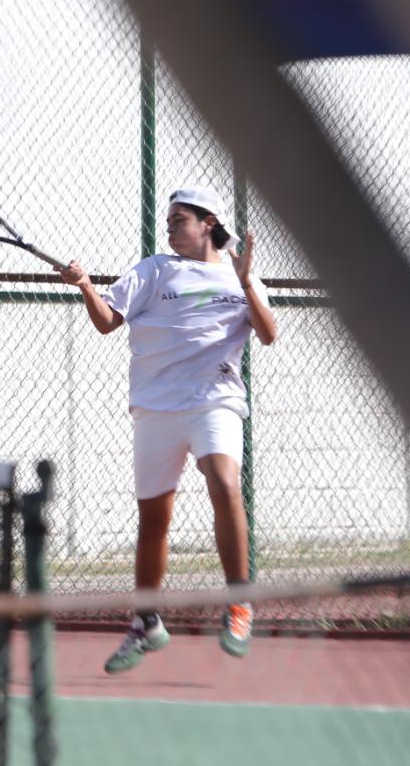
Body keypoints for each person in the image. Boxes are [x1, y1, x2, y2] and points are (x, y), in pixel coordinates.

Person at [59, 186, 278, 671]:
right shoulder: (154, 270)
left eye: (180, 219)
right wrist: (84, 286)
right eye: (169, 220)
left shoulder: (243, 277)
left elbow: (268, 335)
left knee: (224, 484)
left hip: (214, 403)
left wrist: (244, 284)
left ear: (208, 223)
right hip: (156, 410)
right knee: (155, 520)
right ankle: (146, 624)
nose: (171, 227)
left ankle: (240, 605)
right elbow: (106, 322)